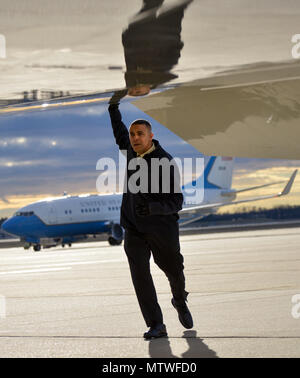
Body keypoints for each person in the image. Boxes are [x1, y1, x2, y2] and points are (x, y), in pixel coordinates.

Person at [108, 94, 193, 339]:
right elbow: (119, 133)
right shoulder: (132, 153)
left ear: (150, 136)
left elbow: (177, 201)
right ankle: (156, 324)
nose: (134, 138)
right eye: (133, 134)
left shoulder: (165, 162)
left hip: (162, 229)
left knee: (174, 271)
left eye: (140, 134)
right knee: (140, 276)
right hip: (133, 228)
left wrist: (155, 209)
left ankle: (179, 300)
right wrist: (113, 107)